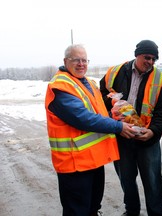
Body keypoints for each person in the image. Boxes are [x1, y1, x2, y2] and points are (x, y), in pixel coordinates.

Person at [45, 44, 137, 216]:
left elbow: (97, 113)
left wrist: (113, 113)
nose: (81, 64)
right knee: (77, 210)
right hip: (74, 164)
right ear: (66, 61)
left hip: (92, 160)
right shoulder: (61, 86)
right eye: (76, 60)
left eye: (84, 60)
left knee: (92, 207)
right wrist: (118, 127)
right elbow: (82, 118)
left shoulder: (88, 83)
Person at [100, 40, 162, 216]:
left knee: (153, 181)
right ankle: (131, 211)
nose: (150, 62)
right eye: (147, 57)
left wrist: (153, 132)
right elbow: (99, 97)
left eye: (154, 59)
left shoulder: (160, 79)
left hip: (147, 138)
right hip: (122, 136)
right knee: (126, 179)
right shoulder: (115, 72)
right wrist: (111, 102)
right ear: (137, 55)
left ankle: (156, 213)